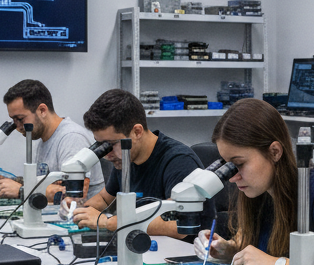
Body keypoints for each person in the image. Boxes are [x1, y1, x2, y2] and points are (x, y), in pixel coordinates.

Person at [193, 98, 314, 265]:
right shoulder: (259, 190)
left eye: (238, 164)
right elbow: (251, 241)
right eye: (227, 166)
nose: (232, 177)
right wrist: (229, 250)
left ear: (275, 152)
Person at [70, 89, 213, 239]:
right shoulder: (125, 158)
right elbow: (105, 198)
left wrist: (108, 222)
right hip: (144, 246)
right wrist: (79, 211)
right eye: (100, 146)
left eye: (110, 144)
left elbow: (178, 226)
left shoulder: (179, 161)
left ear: (137, 132)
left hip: (180, 254)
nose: (107, 154)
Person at [0, 79, 103, 201]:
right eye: (14, 121)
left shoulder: (71, 138)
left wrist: (21, 190)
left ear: (42, 110)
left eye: (20, 119)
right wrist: (11, 183)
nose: (18, 127)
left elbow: (74, 197)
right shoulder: (43, 140)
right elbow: (44, 184)